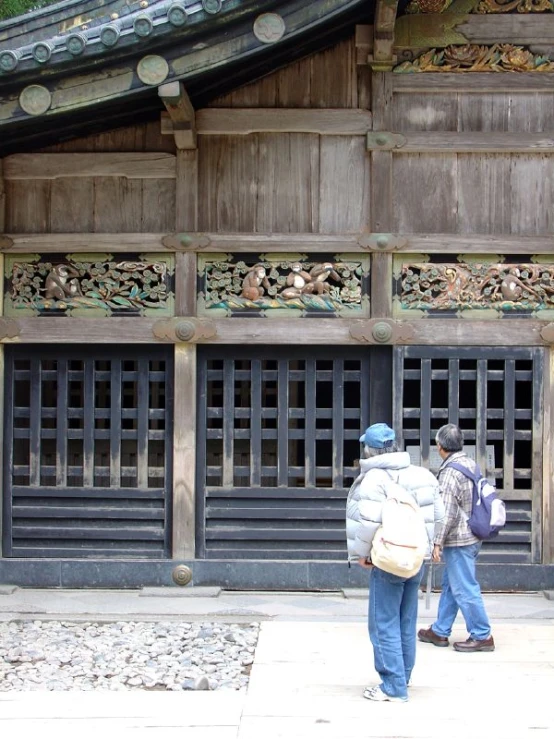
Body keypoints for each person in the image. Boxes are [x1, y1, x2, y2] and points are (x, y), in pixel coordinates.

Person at [346, 423, 445, 703]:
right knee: (405, 618)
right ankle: (404, 675)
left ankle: (393, 686)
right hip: (416, 557)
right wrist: (432, 545)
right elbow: (438, 514)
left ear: (370, 449)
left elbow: (367, 523)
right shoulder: (422, 474)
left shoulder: (373, 479)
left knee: (383, 622)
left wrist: (361, 554)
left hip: (388, 558)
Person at [418, 423, 495, 653]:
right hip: (473, 534)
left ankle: (482, 634)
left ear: (439, 446)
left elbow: (447, 511)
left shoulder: (450, 472)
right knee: (452, 585)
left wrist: (436, 542)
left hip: (460, 539)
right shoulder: (470, 463)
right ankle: (440, 630)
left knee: (463, 587)